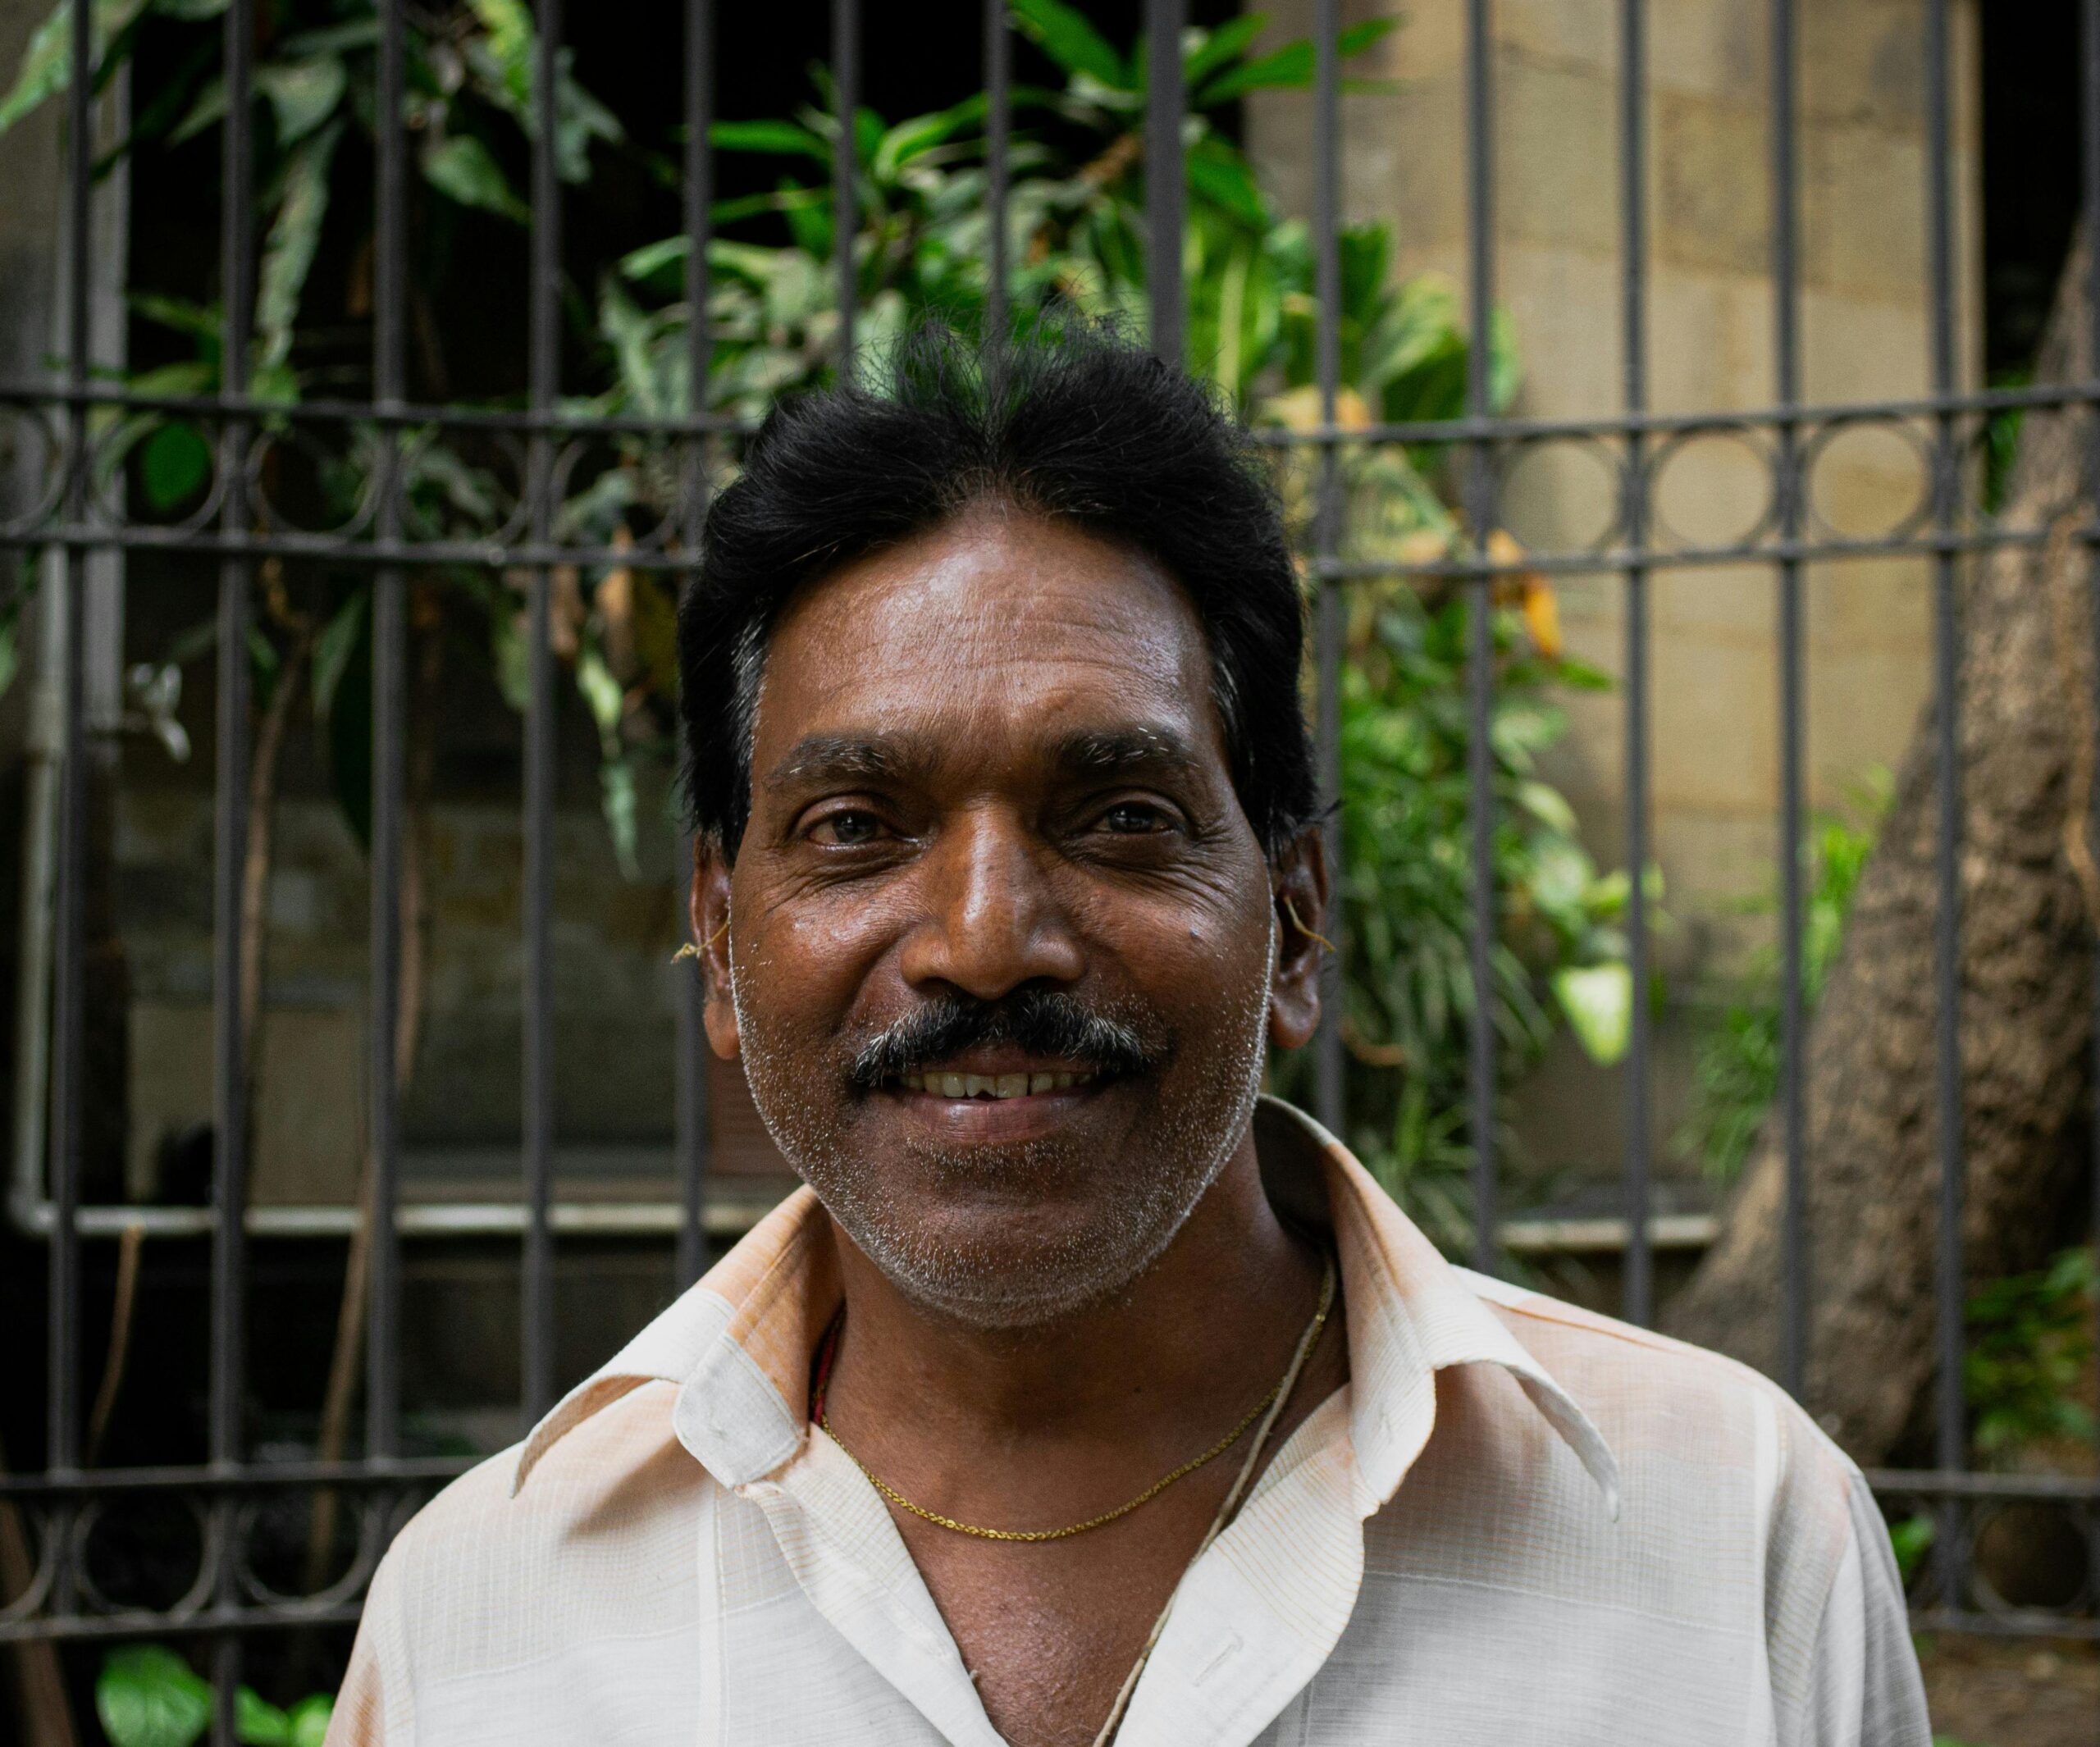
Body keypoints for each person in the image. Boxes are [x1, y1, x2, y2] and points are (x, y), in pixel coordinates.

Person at [326, 323, 1929, 1747]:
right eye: (855, 826)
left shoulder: (1729, 1539)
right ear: (721, 941)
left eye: (1117, 815)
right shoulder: (484, 1626)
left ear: (1294, 917)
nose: (980, 942)